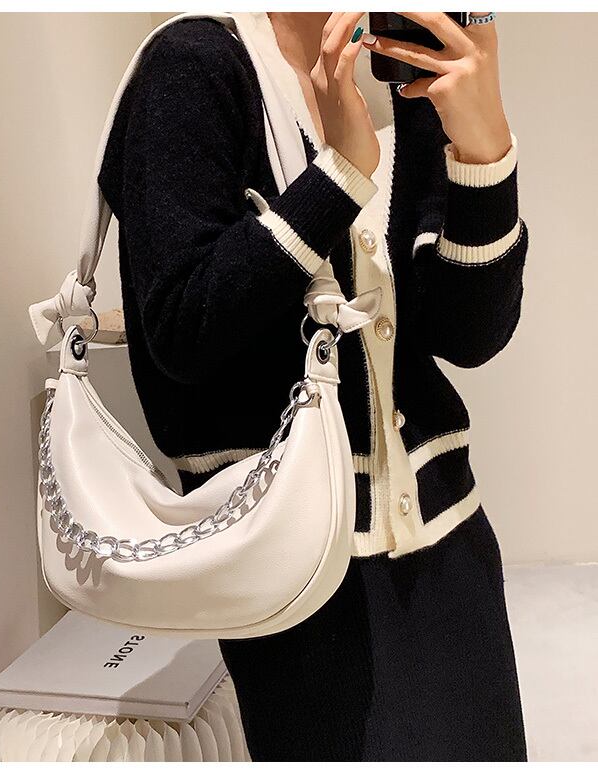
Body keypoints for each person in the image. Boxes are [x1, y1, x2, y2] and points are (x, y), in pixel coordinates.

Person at [98, 10, 528, 762]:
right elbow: (180, 329)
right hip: (300, 573)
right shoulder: (195, 66)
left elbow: (470, 334)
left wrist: (483, 148)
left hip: (447, 540)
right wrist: (339, 176)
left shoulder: (401, 77)